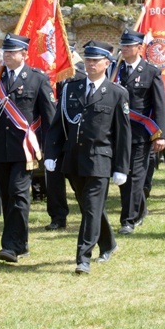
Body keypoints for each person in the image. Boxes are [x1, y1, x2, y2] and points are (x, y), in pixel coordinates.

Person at [45, 40, 131, 274]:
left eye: (96, 61)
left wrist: (121, 167)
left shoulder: (116, 93)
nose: (91, 64)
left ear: (107, 63)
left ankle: (83, 257)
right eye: (88, 60)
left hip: (100, 159)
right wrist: (52, 152)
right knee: (89, 208)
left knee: (92, 209)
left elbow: (123, 134)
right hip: (73, 159)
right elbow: (58, 124)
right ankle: (109, 243)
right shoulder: (71, 88)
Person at [0, 33, 55, 264]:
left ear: (24, 54)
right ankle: (21, 243)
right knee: (7, 196)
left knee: (18, 194)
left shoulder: (37, 78)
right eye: (6, 52)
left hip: (25, 149)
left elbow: (49, 117)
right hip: (0, 147)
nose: (7, 56)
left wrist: (51, 149)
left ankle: (10, 246)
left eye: (12, 52)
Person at [115, 30, 165, 235]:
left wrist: (160, 135)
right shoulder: (115, 69)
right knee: (123, 175)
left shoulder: (151, 72)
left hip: (140, 133)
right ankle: (140, 209)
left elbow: (159, 105)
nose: (124, 49)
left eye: (129, 46)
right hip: (118, 133)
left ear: (139, 48)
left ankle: (128, 219)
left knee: (136, 176)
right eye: (123, 46)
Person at [44, 42, 86, 231]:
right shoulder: (44, 76)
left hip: (72, 138)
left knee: (78, 180)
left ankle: (88, 214)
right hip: (52, 137)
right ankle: (58, 216)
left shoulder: (81, 79)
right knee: (53, 181)